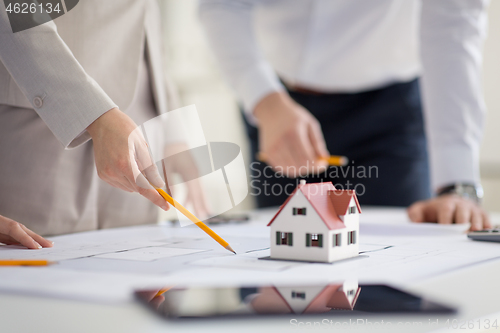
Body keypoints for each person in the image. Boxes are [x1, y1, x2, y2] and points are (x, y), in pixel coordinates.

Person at [199, 0, 491, 230]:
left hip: (390, 115)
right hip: (274, 107)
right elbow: (222, 4)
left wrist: (457, 184)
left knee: (388, 279)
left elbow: (455, 24)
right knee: (275, 263)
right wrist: (265, 100)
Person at [0, 0, 206, 248]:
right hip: (43, 109)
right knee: (38, 265)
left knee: (133, 268)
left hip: (139, 120)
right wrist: (94, 114)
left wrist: (171, 127)